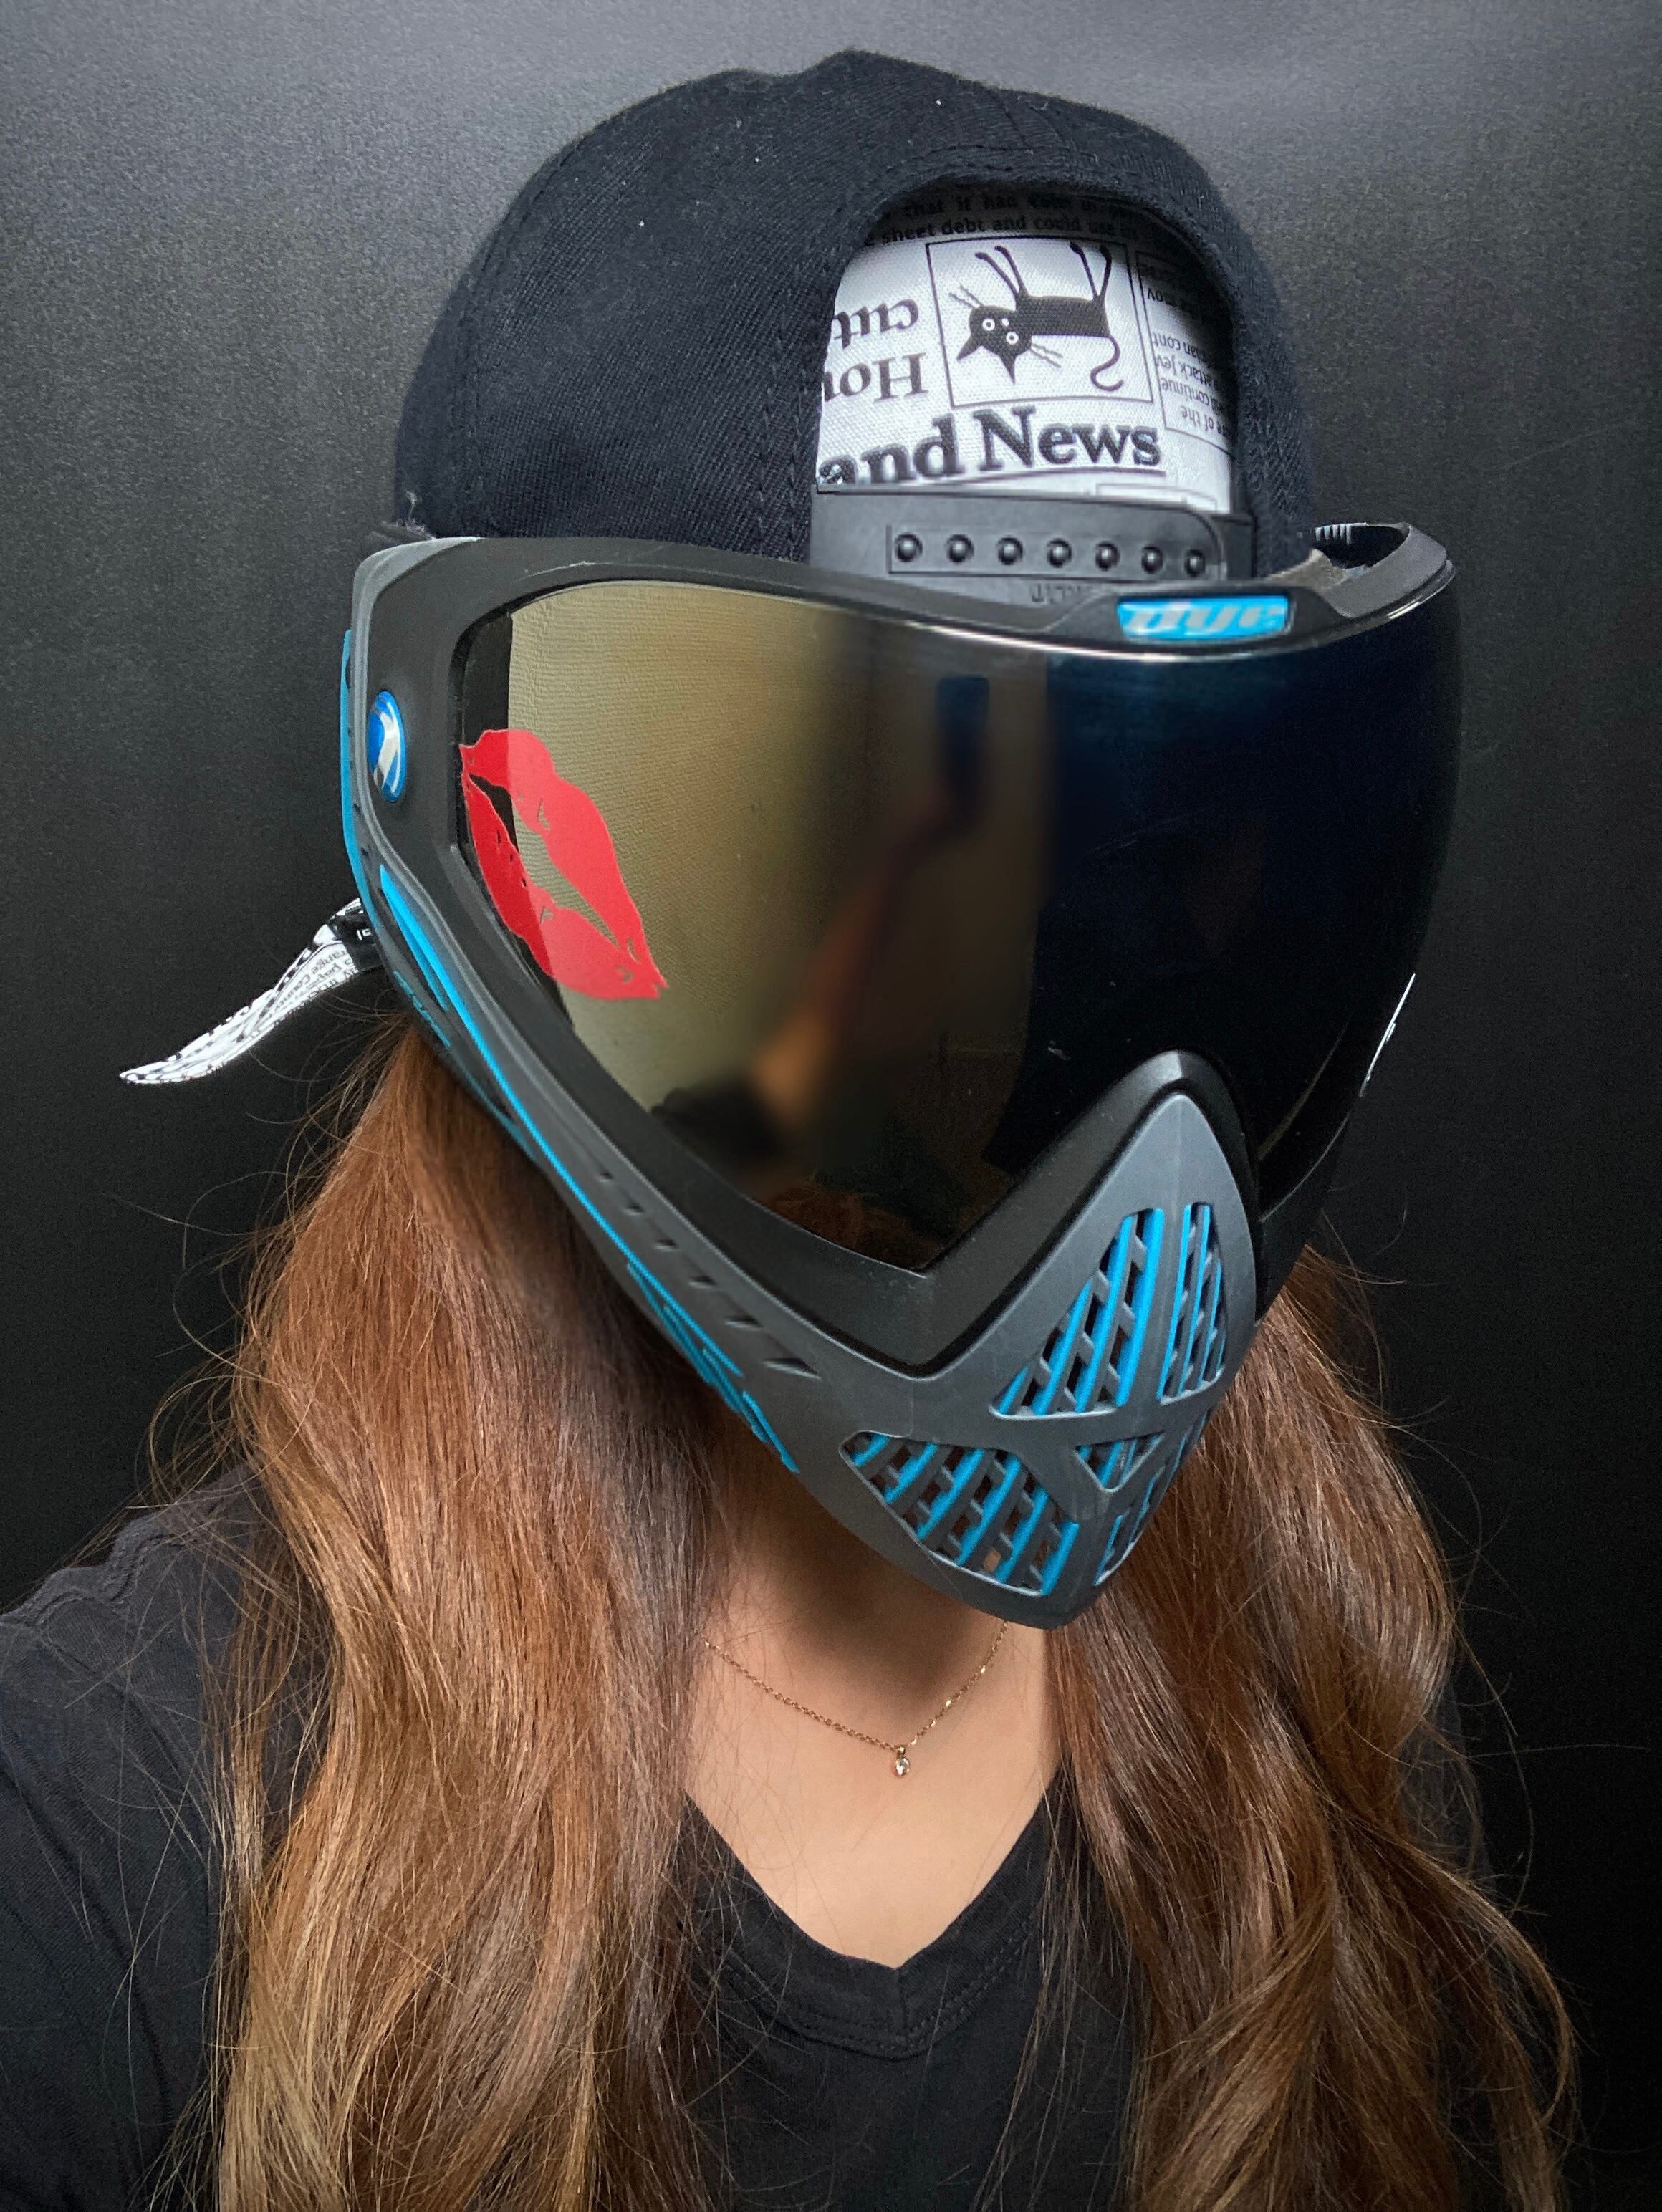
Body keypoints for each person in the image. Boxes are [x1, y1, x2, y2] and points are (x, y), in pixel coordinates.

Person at [0, 52, 1572, 2211]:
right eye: (822, 842)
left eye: (1130, 876)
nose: (1101, 1184)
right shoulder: (119, 1833)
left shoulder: (1318, 1657)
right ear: (473, 838)